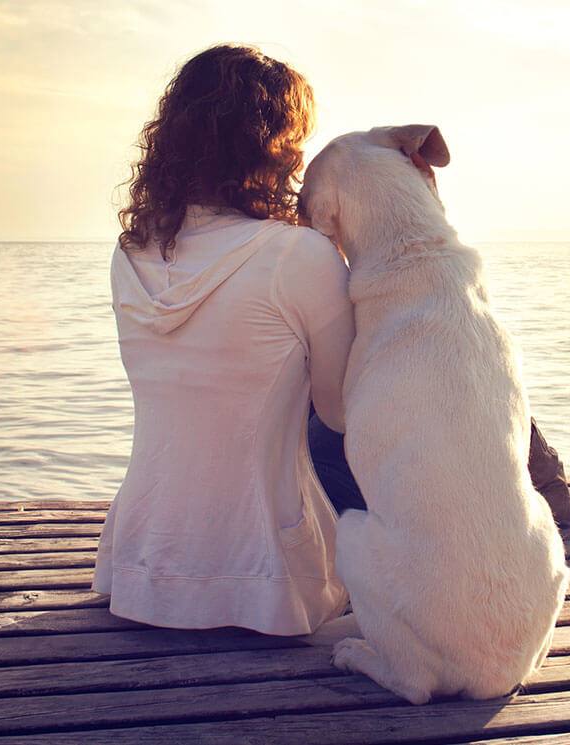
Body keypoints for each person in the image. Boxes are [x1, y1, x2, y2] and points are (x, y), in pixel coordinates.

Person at [94, 44, 351, 637]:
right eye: (294, 137)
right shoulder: (300, 254)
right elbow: (340, 416)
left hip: (139, 565)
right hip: (269, 578)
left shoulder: (129, 250)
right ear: (269, 145)